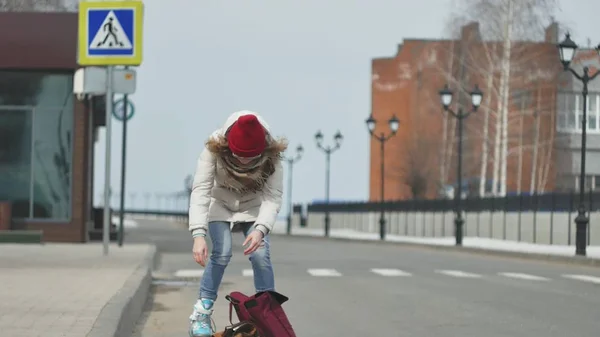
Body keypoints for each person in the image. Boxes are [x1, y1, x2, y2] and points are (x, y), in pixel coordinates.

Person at [187, 110, 287, 337]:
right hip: (220, 203)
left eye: (249, 157)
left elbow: (273, 196)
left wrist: (260, 229)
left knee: (260, 254)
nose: (243, 161)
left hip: (253, 207)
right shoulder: (213, 148)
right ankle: (201, 314)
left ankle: (267, 315)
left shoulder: (272, 156)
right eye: (238, 155)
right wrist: (198, 234)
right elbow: (201, 190)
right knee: (221, 253)